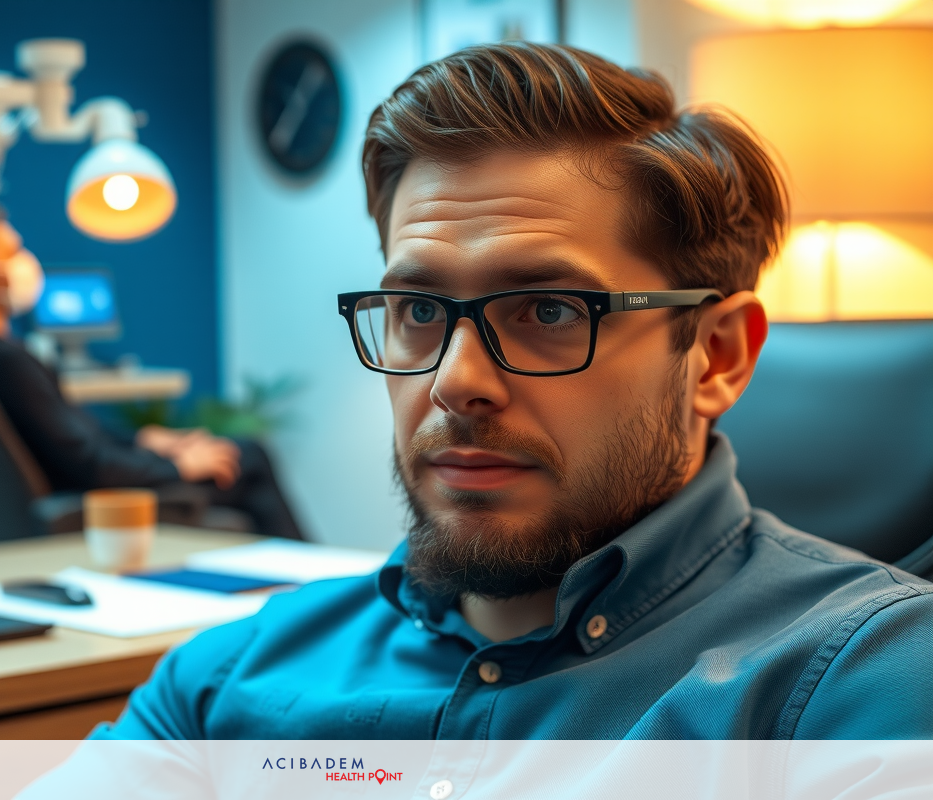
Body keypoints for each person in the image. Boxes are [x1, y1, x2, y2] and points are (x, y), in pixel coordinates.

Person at [72, 42, 930, 741]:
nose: (455, 383)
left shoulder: (859, 682)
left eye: (549, 310)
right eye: (416, 309)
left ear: (715, 357)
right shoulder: (225, 682)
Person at [0, 206, 304, 540]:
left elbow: (73, 436)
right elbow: (89, 464)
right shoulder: (7, 360)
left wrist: (146, 439)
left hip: (90, 483)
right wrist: (178, 465)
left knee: (240, 455)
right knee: (249, 458)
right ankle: (321, 592)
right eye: (12, 252)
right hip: (96, 501)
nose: (26, 261)